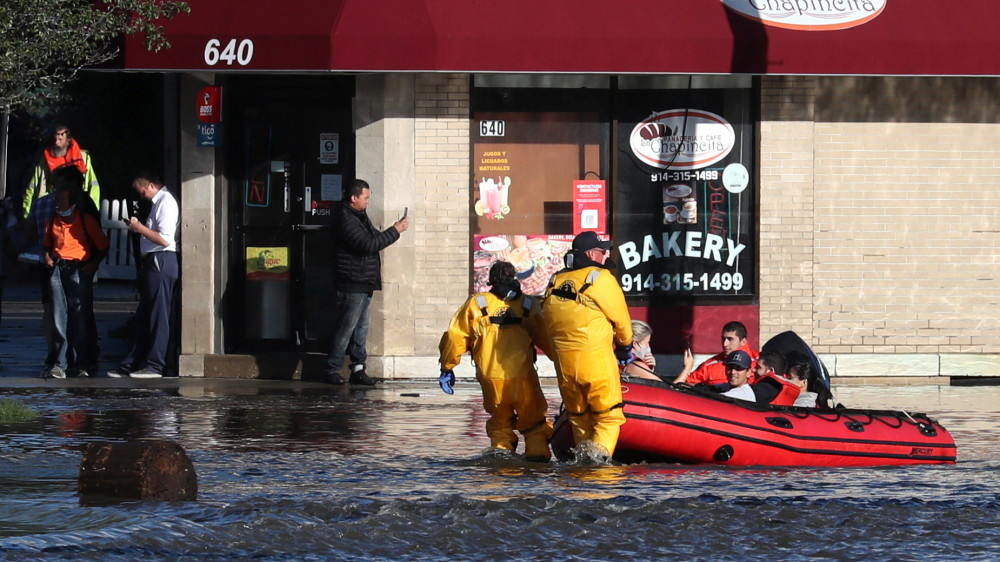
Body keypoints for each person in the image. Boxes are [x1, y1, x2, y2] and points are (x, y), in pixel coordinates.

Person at [438, 261, 554, 461]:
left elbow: (454, 337)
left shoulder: (477, 304)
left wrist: (447, 366)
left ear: (491, 280)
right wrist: (561, 362)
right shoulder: (527, 305)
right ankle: (538, 461)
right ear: (514, 278)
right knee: (535, 424)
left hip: (491, 378)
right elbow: (547, 338)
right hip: (522, 377)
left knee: (501, 424)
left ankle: (502, 463)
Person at [541, 230, 632, 461]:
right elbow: (621, 319)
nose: (606, 254)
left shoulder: (555, 281)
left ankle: (581, 469)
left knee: (579, 418)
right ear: (592, 254)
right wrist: (625, 346)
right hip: (596, 362)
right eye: (603, 251)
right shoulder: (601, 278)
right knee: (609, 417)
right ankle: (598, 472)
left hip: (564, 367)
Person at [323, 179, 409, 385]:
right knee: (347, 327)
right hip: (351, 280)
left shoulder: (358, 215)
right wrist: (395, 230)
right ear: (354, 198)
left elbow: (372, 238)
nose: (368, 201)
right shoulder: (346, 218)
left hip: (364, 280)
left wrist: (391, 231)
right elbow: (367, 244)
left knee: (361, 328)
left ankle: (358, 368)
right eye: (366, 197)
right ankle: (332, 368)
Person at [108, 172, 178, 378]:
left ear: (152, 185)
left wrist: (139, 228)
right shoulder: (159, 203)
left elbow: (165, 239)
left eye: (144, 191)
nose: (143, 196)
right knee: (146, 315)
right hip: (155, 261)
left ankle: (156, 365)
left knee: (158, 315)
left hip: (161, 259)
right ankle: (132, 363)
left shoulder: (166, 203)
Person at [42, 173, 109, 378]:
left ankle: (81, 363)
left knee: (80, 317)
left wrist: (93, 265)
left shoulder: (85, 220)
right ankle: (61, 363)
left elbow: (103, 245)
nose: (59, 203)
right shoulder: (53, 219)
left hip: (79, 269)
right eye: (57, 199)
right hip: (57, 269)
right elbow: (47, 244)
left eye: (63, 199)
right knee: (59, 317)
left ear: (72, 201)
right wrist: (47, 257)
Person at [22, 125, 101, 218]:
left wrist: (92, 211)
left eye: (60, 139)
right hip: (50, 207)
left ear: (68, 141)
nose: (56, 142)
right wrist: (27, 214)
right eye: (55, 139)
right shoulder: (44, 159)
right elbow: (32, 187)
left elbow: (93, 185)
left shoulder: (83, 158)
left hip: (77, 207)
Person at [673, 320, 759, 386]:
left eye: (730, 339)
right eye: (723, 339)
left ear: (743, 341)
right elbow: (686, 385)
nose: (725, 344)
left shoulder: (759, 362)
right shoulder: (709, 365)